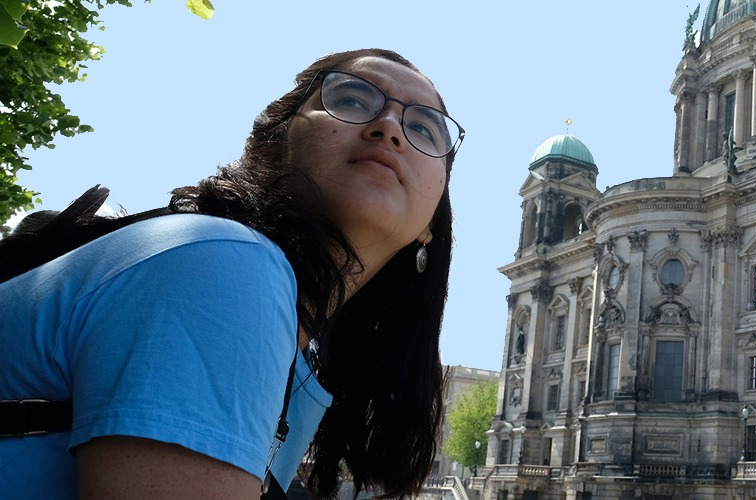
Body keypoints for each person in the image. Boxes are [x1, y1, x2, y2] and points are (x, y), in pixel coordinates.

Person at [0, 48, 464, 498]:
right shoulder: (228, 263)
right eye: (352, 100)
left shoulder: (299, 360)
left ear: (430, 225)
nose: (389, 128)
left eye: (424, 127)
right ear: (268, 149)